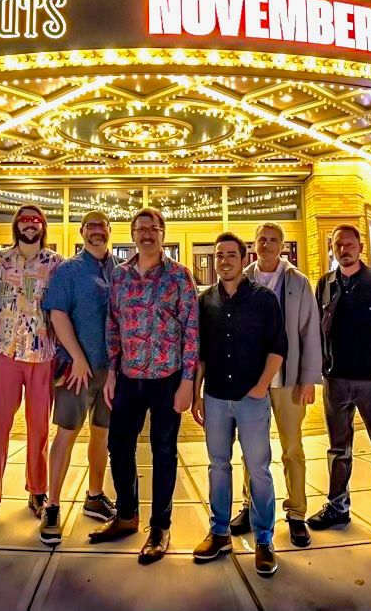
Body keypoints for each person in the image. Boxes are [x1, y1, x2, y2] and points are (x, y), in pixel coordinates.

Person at [89, 207, 198, 565]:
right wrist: (112, 372)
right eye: (141, 229)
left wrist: (188, 382)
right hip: (128, 377)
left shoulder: (180, 276)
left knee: (163, 451)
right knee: (118, 446)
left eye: (154, 228)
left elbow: (191, 331)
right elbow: (112, 325)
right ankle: (126, 515)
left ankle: (160, 527)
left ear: (163, 233)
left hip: (168, 379)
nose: (147, 234)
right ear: (133, 234)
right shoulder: (119, 277)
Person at [308, 224, 371, 551]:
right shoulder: (325, 284)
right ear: (332, 248)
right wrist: (322, 369)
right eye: (338, 244)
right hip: (336, 381)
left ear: (360, 247)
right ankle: (338, 506)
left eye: (349, 244)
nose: (344, 249)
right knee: (338, 449)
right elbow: (317, 330)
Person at [192, 233, 286, 576]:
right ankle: (219, 533)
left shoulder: (263, 299)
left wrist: (261, 388)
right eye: (219, 255)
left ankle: (264, 540)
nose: (225, 260)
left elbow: (278, 347)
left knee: (258, 468)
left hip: (251, 399)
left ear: (243, 259)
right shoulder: (205, 301)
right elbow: (201, 354)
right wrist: (197, 394)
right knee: (218, 465)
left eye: (231, 254)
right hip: (216, 397)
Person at [0, 204, 64, 535]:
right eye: (24, 220)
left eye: (36, 221)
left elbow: (63, 309)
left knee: (39, 429)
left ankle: (37, 491)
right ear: (16, 226)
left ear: (43, 226)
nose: (30, 225)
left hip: (43, 354)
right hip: (4, 352)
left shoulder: (56, 264)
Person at [230, 222, 321, 548]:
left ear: (282, 246)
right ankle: (249, 505)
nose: (267, 245)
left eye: (273, 240)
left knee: (292, 448)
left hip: (289, 380)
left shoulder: (298, 282)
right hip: (251, 380)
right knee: (251, 449)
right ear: (253, 245)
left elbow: (310, 331)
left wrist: (309, 378)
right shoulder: (242, 279)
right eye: (262, 240)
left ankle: (296, 513)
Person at [38, 210, 120, 545]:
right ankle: (53, 506)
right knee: (67, 434)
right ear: (82, 232)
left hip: (111, 372)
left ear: (110, 231)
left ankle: (95, 496)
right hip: (76, 370)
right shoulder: (69, 270)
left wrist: (116, 367)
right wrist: (78, 358)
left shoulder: (121, 271)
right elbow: (57, 314)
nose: (96, 231)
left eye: (102, 225)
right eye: (90, 226)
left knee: (102, 435)